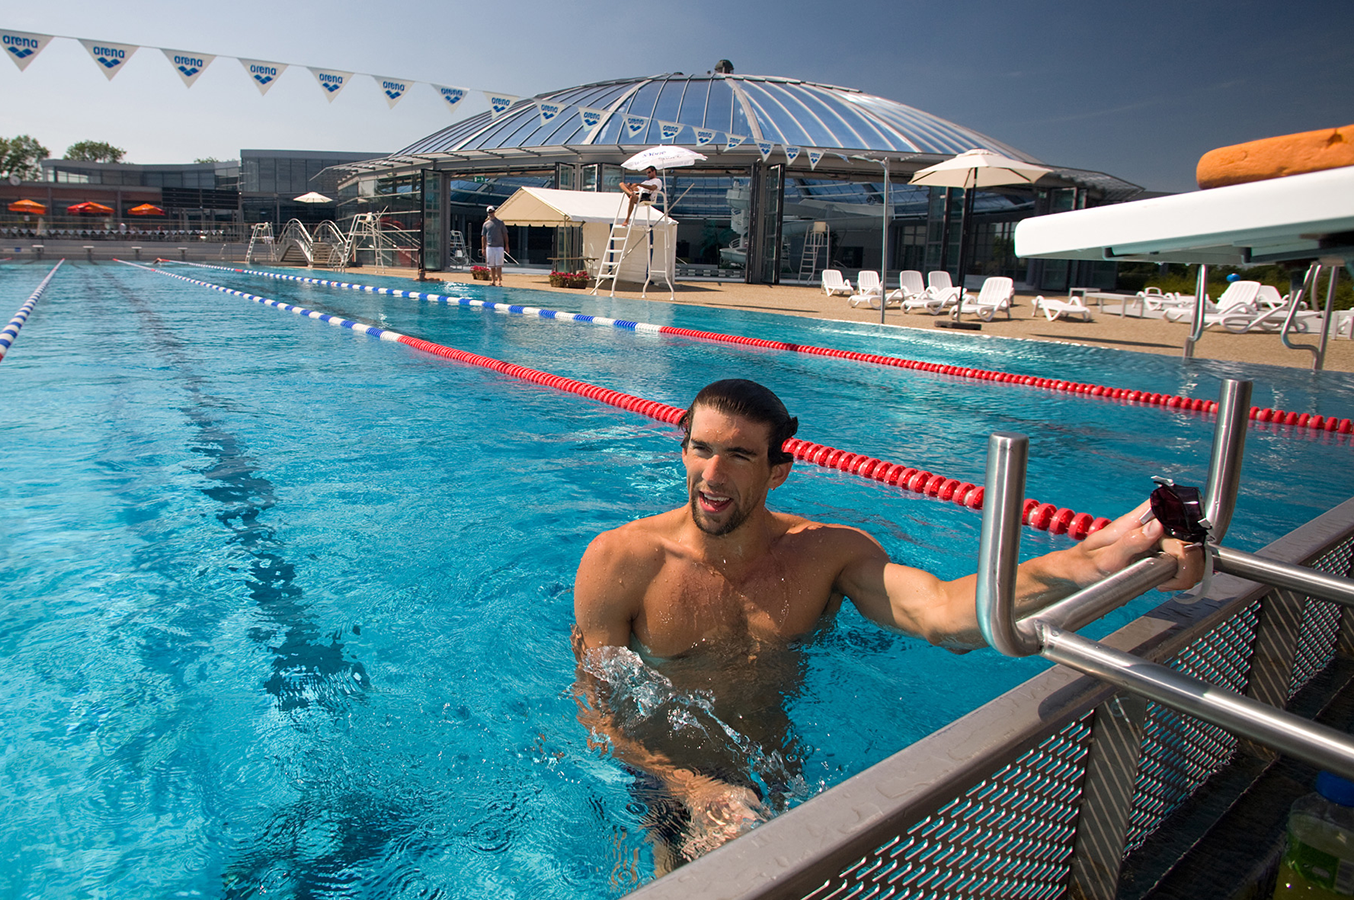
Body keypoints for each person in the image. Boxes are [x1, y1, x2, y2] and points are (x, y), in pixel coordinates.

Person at [572, 379, 1200, 872]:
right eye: (702, 448)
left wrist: (1098, 558)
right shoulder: (621, 561)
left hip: (776, 772)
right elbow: (596, 710)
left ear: (777, 471)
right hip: (668, 780)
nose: (712, 475)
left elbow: (944, 615)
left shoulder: (828, 554)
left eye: (739, 455)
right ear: (682, 448)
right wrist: (693, 787)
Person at [480, 206, 507, 287]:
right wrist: (483, 248)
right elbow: (483, 236)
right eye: (489, 212)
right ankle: (493, 280)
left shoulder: (500, 222)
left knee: (499, 265)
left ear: (494, 212)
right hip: (490, 246)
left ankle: (499, 280)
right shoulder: (486, 224)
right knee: (491, 265)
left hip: (499, 246)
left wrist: (507, 245)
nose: (491, 213)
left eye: (492, 212)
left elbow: (505, 234)